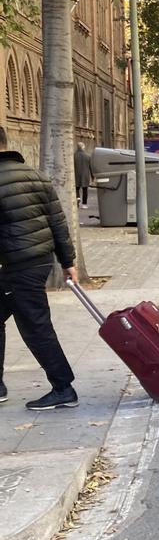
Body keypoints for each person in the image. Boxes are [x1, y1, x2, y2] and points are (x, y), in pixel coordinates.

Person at [0, 127, 80, 410]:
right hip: (38, 262)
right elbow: (58, 222)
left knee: (36, 327)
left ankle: (63, 388)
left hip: (16, 266)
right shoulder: (36, 175)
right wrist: (68, 262)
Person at [73, 143, 91, 210]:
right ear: (83, 147)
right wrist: (92, 176)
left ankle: (77, 198)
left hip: (76, 175)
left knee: (76, 188)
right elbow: (91, 167)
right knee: (85, 190)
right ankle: (84, 204)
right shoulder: (88, 156)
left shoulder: (73, 156)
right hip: (85, 175)